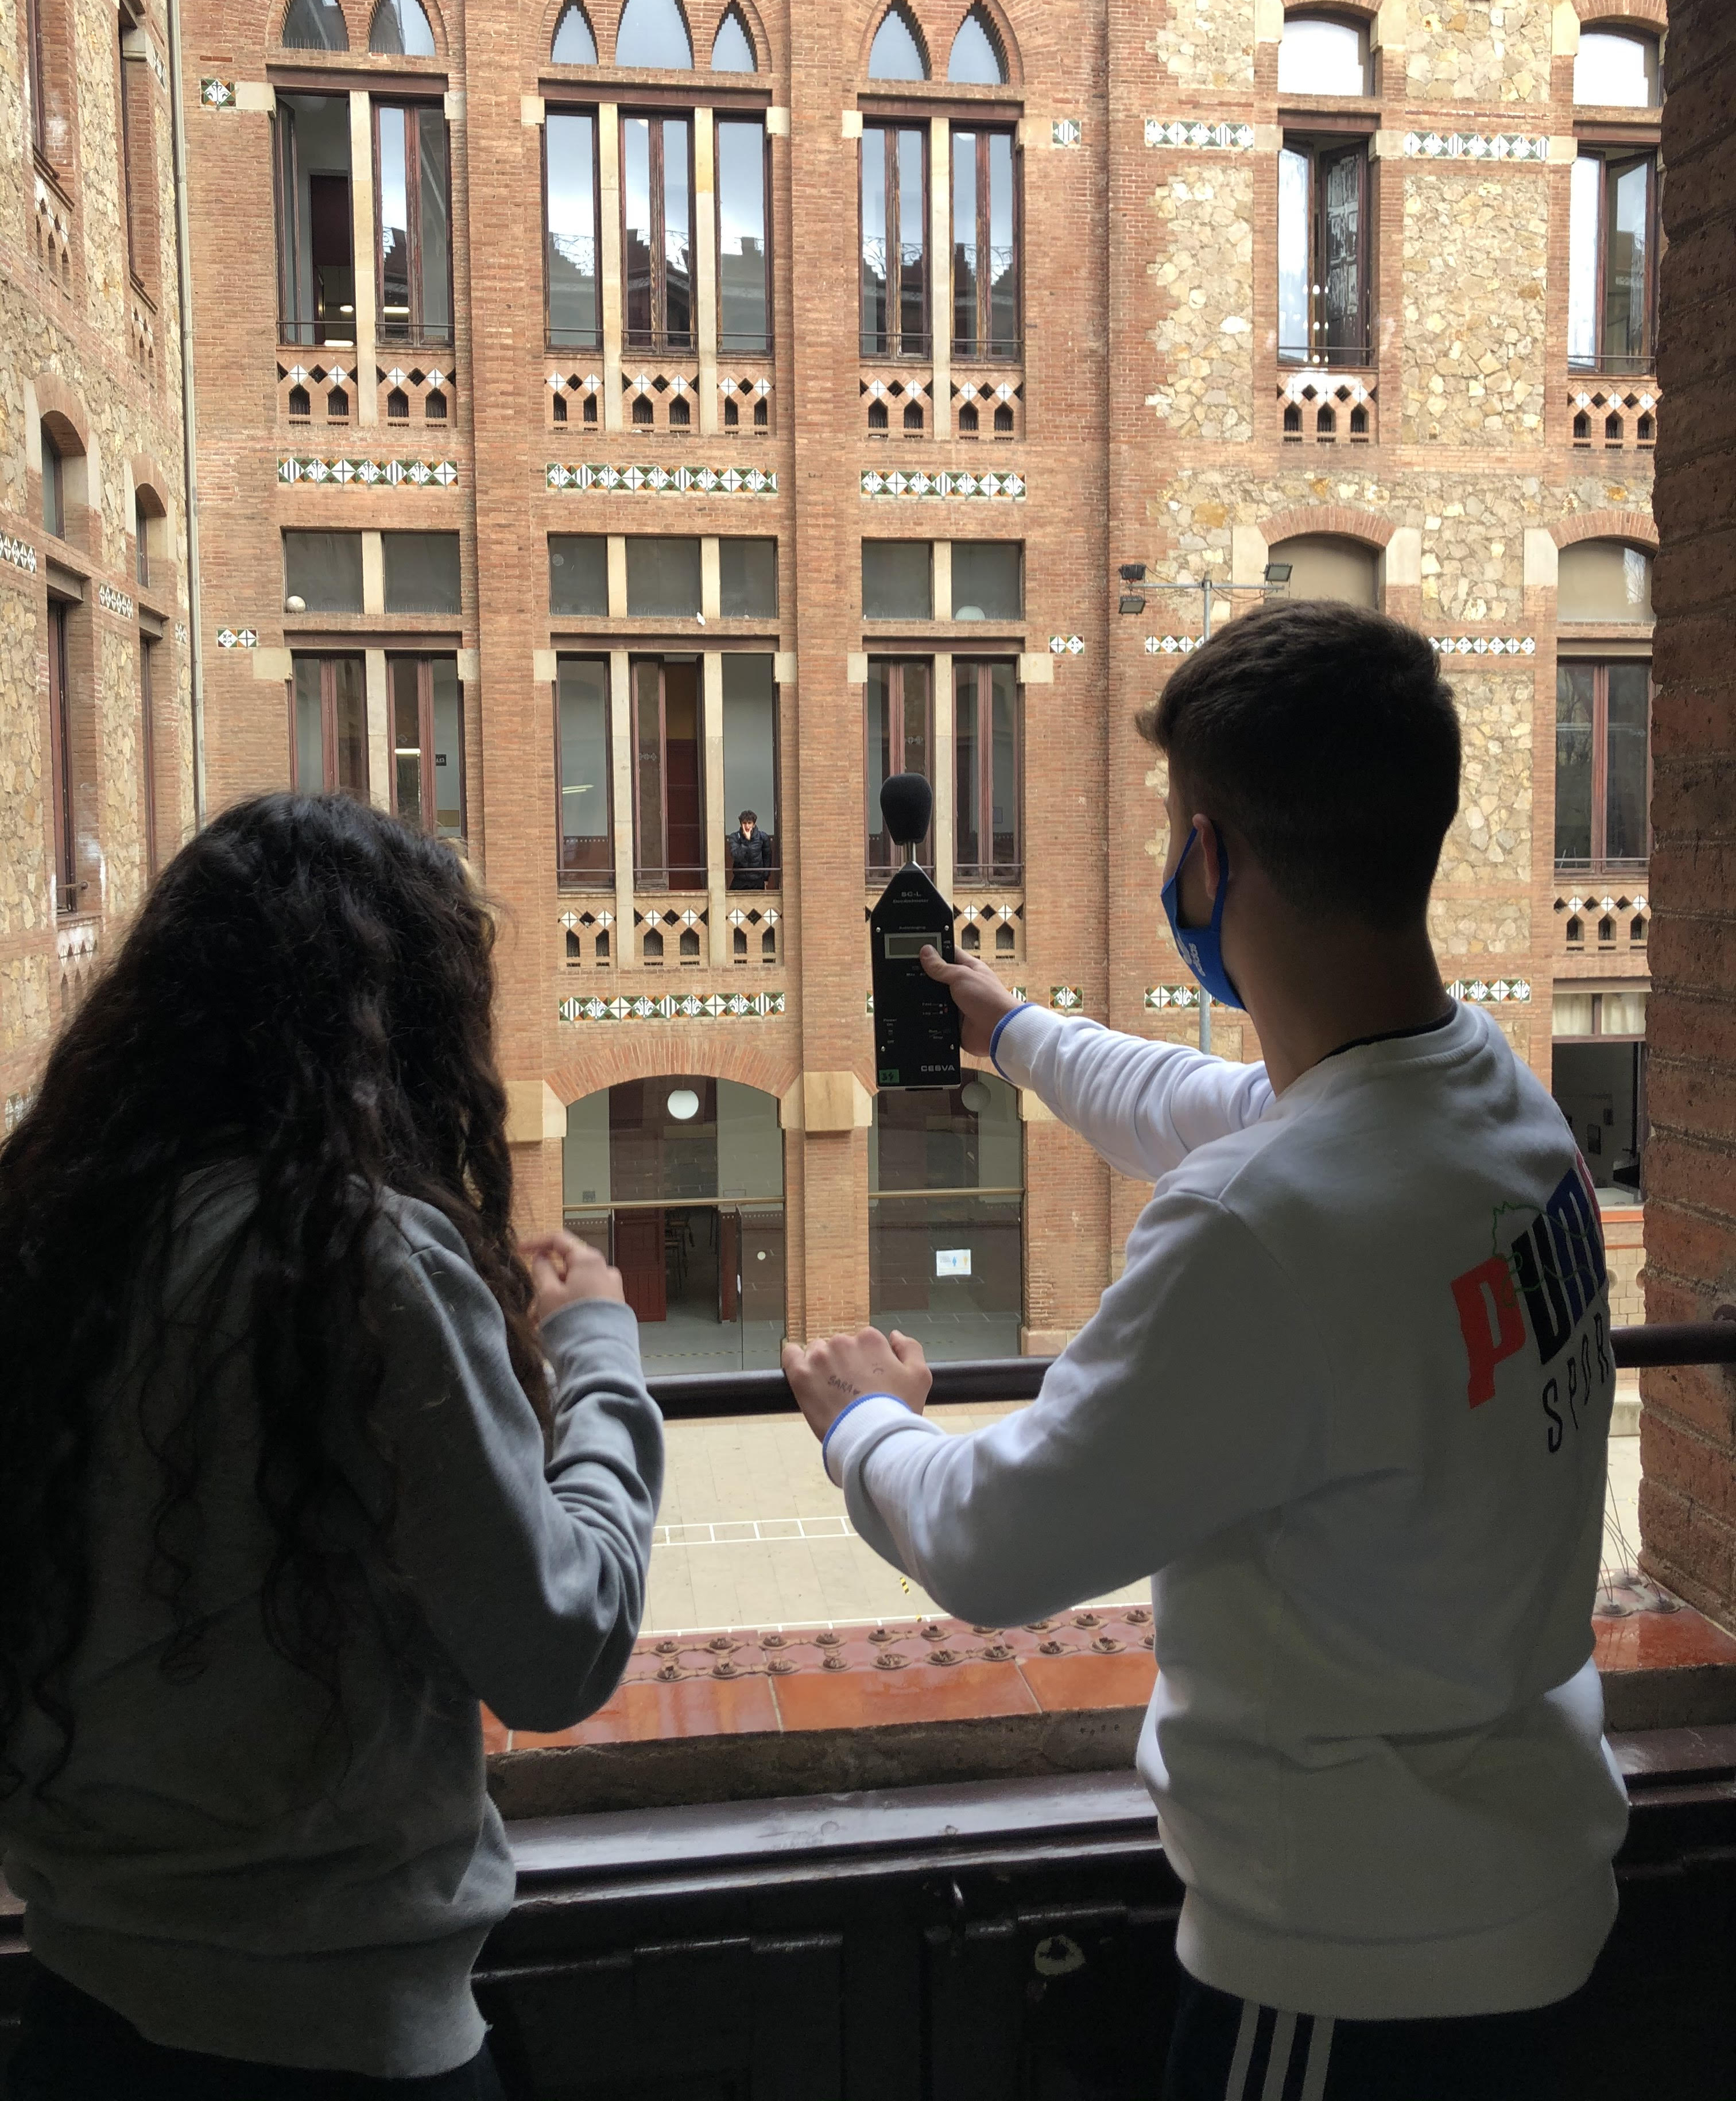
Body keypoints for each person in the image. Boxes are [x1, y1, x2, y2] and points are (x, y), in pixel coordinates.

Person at [784, 602, 1626, 2101]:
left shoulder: (1266, 1227)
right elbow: (1205, 1105)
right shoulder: (1489, 1096)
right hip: (1533, 1901)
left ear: (1209, 858)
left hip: (1352, 1972)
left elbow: (995, 1544)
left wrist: (868, 1422)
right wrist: (1012, 1031)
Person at [0, 794, 663, 2099]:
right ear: (402, 1028)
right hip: (349, 2043)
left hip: (82, 2025)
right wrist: (596, 1344)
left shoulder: (48, 1244)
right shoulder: (362, 1266)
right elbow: (555, 1644)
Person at [726, 808, 772, 889]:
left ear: (754, 825)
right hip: (740, 879)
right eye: (744, 823)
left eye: (749, 823)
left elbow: (767, 858)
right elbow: (736, 856)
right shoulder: (735, 837)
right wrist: (747, 841)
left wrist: (766, 878)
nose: (747, 826)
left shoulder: (762, 837)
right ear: (741, 824)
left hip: (757, 880)